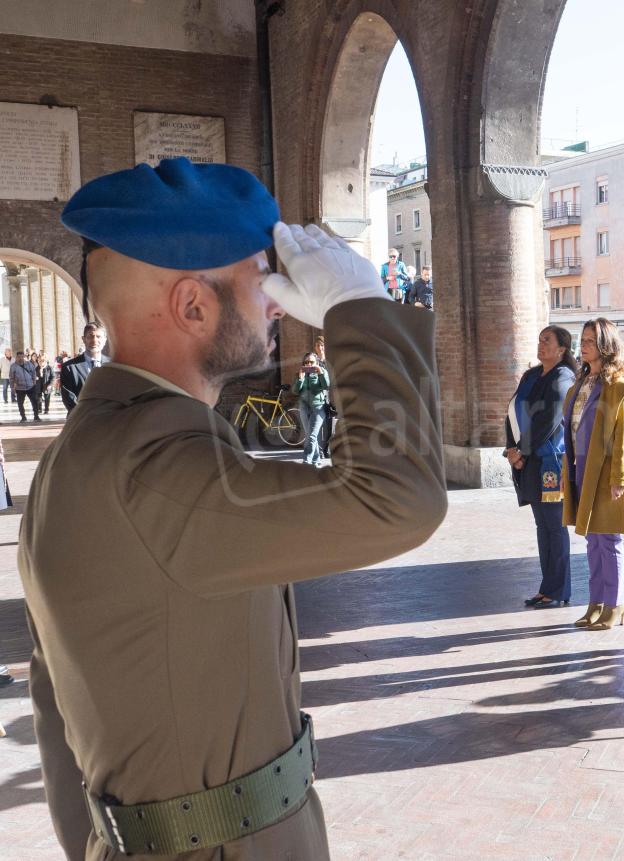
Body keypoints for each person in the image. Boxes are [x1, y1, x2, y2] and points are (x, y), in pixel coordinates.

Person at [20, 157, 446, 860]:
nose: (279, 301)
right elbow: (399, 497)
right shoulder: (154, 465)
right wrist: (359, 313)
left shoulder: (88, 453)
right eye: (262, 275)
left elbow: (56, 712)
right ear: (193, 305)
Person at [562, 319, 624, 630]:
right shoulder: (579, 384)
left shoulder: (619, 388)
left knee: (609, 539)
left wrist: (619, 478)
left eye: (591, 340)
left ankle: (616, 604)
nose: (584, 345)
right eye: (583, 339)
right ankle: (595, 602)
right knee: (592, 540)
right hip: (580, 468)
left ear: (606, 346)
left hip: (607, 471)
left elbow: (623, 435)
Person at [505, 326, 577, 609]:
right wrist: (512, 449)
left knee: (555, 527)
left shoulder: (563, 377)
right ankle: (547, 587)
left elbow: (548, 422)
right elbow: (512, 411)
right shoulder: (532, 375)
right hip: (527, 460)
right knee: (542, 527)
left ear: (561, 349)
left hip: (550, 464)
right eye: (539, 339)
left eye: (547, 340)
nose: (541, 344)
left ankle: (558, 590)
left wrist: (522, 451)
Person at [59, 322, 107, 412]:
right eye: (90, 336)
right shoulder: (69, 367)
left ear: (105, 340)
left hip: (110, 421)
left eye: (98, 336)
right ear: (84, 339)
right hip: (81, 420)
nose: (94, 340)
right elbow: (69, 398)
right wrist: (88, 416)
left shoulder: (113, 365)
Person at [293, 351, 331, 465]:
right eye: (306, 362)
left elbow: (326, 386)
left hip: (318, 407)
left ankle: (306, 461)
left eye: (311, 362)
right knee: (309, 435)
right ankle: (316, 461)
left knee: (312, 436)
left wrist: (320, 373)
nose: (309, 364)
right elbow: (295, 391)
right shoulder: (300, 373)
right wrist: (300, 378)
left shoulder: (322, 371)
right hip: (304, 407)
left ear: (317, 362)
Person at [313, 334, 332, 458]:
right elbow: (307, 372)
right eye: (318, 345)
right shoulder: (313, 360)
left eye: (322, 345)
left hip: (329, 397)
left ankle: (326, 449)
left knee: (329, 426)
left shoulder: (329, 361)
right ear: (315, 347)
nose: (320, 348)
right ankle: (319, 450)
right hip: (317, 395)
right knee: (318, 425)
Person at [10, 350, 40, 422]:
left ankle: (36, 416)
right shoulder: (13, 366)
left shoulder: (29, 364)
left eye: (22, 356)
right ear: (16, 357)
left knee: (34, 402)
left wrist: (34, 383)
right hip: (20, 388)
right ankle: (23, 417)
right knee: (20, 403)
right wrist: (12, 388)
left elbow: (33, 373)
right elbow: (11, 378)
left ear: (24, 357)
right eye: (19, 357)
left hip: (30, 386)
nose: (20, 358)